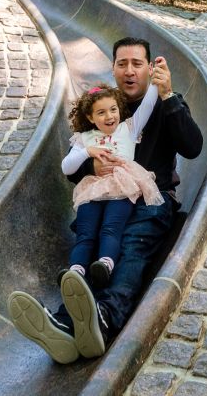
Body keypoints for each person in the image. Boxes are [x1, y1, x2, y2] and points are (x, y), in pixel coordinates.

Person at [7, 37, 203, 364]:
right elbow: (75, 163)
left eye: (136, 64)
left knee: (130, 247)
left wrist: (168, 96)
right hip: (106, 197)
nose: (129, 71)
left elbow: (193, 147)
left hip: (150, 199)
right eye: (122, 64)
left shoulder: (164, 103)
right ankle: (65, 324)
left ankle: (106, 316)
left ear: (149, 68)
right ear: (113, 68)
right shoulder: (103, 107)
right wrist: (92, 165)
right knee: (90, 248)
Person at [59, 82, 164, 290]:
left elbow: (148, 104)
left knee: (110, 228)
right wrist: (87, 152)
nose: (109, 116)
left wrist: (154, 79)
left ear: (119, 109)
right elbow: (66, 168)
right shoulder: (84, 139)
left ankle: (105, 265)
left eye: (113, 109)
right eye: (101, 112)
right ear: (90, 117)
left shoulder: (129, 128)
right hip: (92, 190)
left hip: (121, 188)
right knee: (86, 232)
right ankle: (76, 271)